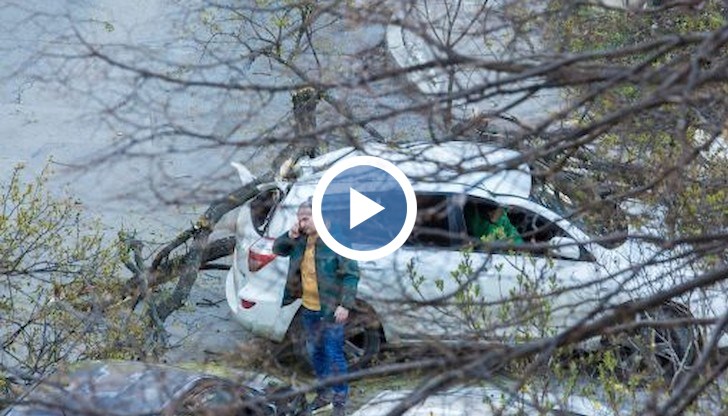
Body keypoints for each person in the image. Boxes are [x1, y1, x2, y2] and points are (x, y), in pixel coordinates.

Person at [273, 198, 359, 416]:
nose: (301, 223)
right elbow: (278, 249)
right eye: (299, 219)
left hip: (330, 309)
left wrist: (345, 305)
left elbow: (351, 275)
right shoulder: (301, 238)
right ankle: (324, 395)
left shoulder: (337, 239)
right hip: (309, 308)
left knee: (333, 353)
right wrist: (290, 235)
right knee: (315, 351)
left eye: (305, 218)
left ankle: (340, 400)